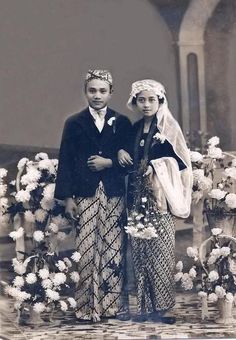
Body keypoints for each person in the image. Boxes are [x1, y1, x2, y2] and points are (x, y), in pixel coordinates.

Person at [54, 70, 132, 322]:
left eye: (102, 91)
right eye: (92, 90)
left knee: (113, 249)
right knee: (86, 248)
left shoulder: (121, 123)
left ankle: (111, 306)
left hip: (113, 193)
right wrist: (66, 198)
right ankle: (86, 307)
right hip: (85, 192)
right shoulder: (74, 122)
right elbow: (65, 161)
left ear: (111, 92)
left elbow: (131, 161)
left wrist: (108, 162)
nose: (97, 96)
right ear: (85, 91)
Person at [118, 79, 192, 323]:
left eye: (151, 99)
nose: (147, 104)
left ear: (160, 100)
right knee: (139, 252)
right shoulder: (133, 128)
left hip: (159, 201)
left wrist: (156, 166)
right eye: (142, 100)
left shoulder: (168, 129)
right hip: (136, 199)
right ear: (135, 102)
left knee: (161, 251)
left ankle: (164, 309)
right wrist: (121, 151)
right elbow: (123, 152)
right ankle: (144, 308)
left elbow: (180, 162)